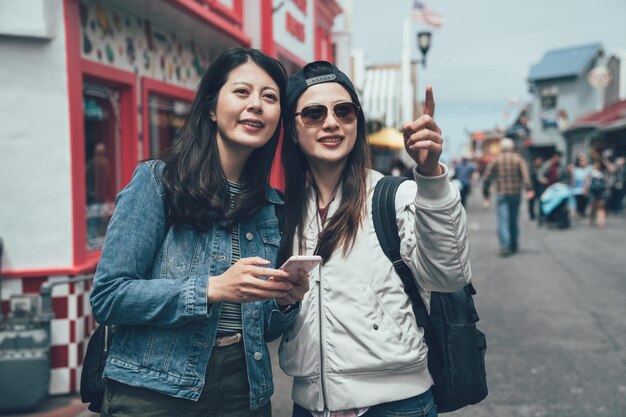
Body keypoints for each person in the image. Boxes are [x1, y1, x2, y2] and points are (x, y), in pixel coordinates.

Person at [89, 48, 309, 417]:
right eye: (242, 92)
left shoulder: (273, 206)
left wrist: (286, 300)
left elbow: (264, 327)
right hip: (154, 391)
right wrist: (211, 288)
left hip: (245, 390)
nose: (256, 104)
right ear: (211, 108)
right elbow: (109, 296)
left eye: (269, 97)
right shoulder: (158, 182)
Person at [278, 61, 471, 417]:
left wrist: (431, 177)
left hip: (396, 405)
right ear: (292, 129)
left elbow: (450, 275)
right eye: (314, 114)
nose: (332, 122)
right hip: (308, 406)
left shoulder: (394, 196)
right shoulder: (285, 213)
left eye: (344, 111)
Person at [482, 137, 533, 256]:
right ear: (512, 147)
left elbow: (487, 176)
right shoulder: (518, 159)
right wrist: (529, 189)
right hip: (515, 193)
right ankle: (514, 245)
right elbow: (526, 175)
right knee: (513, 220)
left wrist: (486, 191)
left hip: (502, 194)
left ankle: (504, 246)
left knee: (503, 220)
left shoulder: (496, 159)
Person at [587, 150, 614, 229]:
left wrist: (605, 161)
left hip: (601, 190)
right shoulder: (591, 169)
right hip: (593, 190)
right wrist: (585, 189)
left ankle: (601, 222)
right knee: (593, 205)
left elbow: (612, 170)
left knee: (601, 206)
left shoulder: (604, 171)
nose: (597, 164)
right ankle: (592, 217)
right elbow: (587, 179)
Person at [571, 153, 591, 218]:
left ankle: (582, 213)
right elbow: (573, 180)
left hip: (584, 189)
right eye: (581, 161)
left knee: (584, 203)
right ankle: (578, 213)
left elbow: (587, 180)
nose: (583, 162)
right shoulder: (575, 170)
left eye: (584, 160)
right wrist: (571, 189)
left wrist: (586, 189)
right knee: (578, 203)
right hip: (576, 190)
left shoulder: (588, 169)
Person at [527, 156, 543, 220]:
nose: (540, 162)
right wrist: (529, 189)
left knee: (539, 202)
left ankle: (539, 215)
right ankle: (532, 215)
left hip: (538, 189)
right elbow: (529, 180)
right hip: (532, 188)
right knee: (531, 203)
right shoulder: (532, 170)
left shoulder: (541, 169)